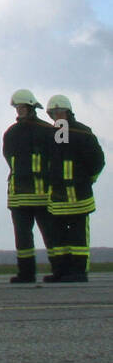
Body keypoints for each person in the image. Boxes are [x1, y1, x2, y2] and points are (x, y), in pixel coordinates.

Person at [42, 94, 104, 283]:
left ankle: (79, 271)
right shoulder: (51, 135)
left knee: (78, 238)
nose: (57, 115)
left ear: (68, 112)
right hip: (58, 198)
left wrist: (86, 181)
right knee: (58, 238)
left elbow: (97, 161)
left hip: (79, 196)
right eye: (54, 113)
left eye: (60, 112)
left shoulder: (83, 133)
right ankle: (61, 271)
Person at [2, 88, 54, 284]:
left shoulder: (48, 130)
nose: (20, 110)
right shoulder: (11, 132)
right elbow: (9, 158)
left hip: (43, 194)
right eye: (17, 107)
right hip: (18, 195)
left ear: (32, 107)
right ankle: (26, 273)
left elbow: (56, 156)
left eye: (23, 107)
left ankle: (59, 270)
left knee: (50, 235)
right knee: (23, 239)